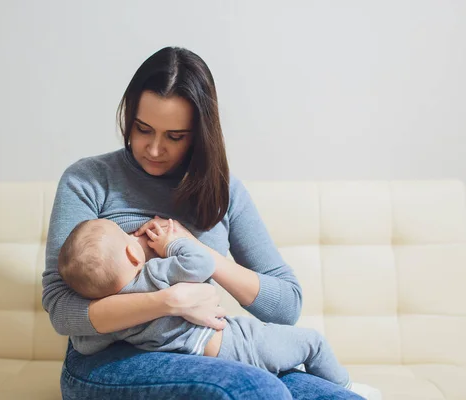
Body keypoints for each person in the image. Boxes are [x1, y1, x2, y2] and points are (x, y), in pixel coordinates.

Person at [43, 46, 367, 399]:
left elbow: (287, 304)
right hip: (108, 362)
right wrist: (170, 301)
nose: (153, 149)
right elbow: (62, 310)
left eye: (174, 136)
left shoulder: (224, 192)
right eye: (142, 129)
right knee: (259, 391)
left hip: (207, 348)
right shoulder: (88, 180)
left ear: (199, 133)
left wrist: (200, 252)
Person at [57, 218, 382, 399]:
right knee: (311, 342)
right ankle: (347, 385)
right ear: (132, 255)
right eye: (125, 233)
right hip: (242, 343)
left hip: (205, 358)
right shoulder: (154, 275)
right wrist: (173, 243)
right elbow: (199, 263)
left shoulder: (115, 316)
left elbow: (85, 341)